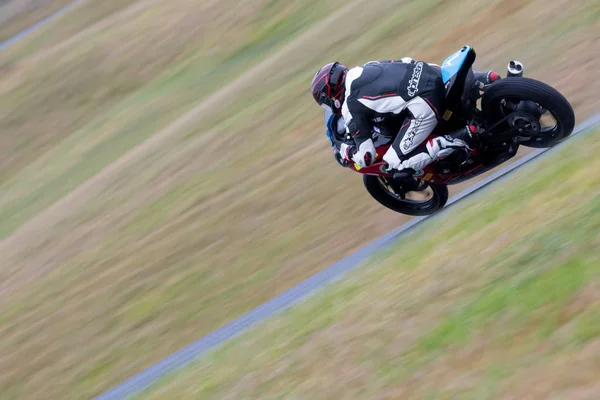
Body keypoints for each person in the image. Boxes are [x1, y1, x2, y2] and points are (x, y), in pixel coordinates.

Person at [311, 58, 499, 176]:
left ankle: (457, 139)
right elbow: (405, 61)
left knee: (393, 163)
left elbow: (367, 156)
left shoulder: (349, 107)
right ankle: (485, 80)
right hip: (431, 74)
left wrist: (348, 152)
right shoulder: (368, 66)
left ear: (330, 97)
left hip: (424, 105)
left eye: (325, 102)